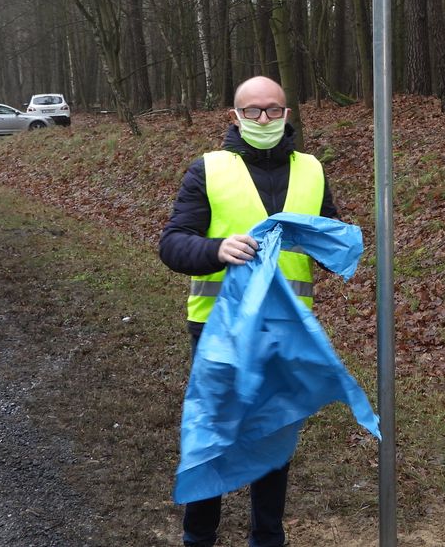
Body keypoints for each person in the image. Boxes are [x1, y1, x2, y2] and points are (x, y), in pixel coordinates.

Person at [159, 75, 340, 547]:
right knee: (214, 436)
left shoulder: (313, 170)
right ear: (234, 117)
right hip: (219, 327)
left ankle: (268, 538)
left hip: (285, 331)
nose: (264, 119)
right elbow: (173, 244)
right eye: (253, 110)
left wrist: (328, 242)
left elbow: (330, 239)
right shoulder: (208, 169)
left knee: (273, 439)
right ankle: (199, 537)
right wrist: (217, 249)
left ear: (287, 114)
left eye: (273, 110)